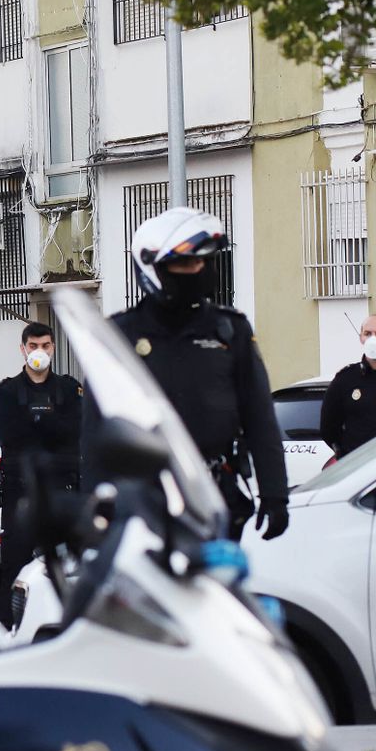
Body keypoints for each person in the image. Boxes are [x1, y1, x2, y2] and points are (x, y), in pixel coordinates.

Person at [111, 207, 287, 540]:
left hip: (214, 496)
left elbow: (259, 417)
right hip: (142, 502)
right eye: (187, 263)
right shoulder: (122, 335)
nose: (198, 270)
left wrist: (275, 493)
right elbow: (96, 429)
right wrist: (96, 504)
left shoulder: (229, 329)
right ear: (154, 266)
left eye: (203, 262)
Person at [0, 322, 82, 627]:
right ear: (23, 349)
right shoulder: (7, 391)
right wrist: (49, 423)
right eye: (33, 346)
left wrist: (34, 421)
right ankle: (11, 626)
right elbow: (11, 434)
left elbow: (74, 431)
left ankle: (66, 623)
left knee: (68, 562)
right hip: (19, 490)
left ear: (53, 348)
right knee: (14, 561)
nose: (39, 352)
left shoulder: (68, 389)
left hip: (63, 488)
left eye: (45, 346)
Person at [320, 314, 376, 458]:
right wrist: (345, 454)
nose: (373, 339)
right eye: (367, 334)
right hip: (359, 470)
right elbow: (328, 428)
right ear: (361, 338)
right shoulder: (345, 379)